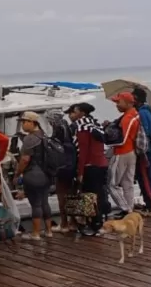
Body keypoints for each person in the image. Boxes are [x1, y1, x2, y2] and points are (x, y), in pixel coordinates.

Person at [69, 102, 110, 233]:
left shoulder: (81, 128)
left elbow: (83, 151)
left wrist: (80, 172)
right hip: (102, 163)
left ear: (82, 112)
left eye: (74, 111)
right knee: (99, 193)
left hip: (90, 165)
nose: (72, 114)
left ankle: (94, 223)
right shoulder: (95, 125)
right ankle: (99, 220)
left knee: (89, 195)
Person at [15, 111, 53, 240]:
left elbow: (25, 159)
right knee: (44, 202)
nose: (23, 125)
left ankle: (35, 233)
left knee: (36, 204)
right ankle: (48, 231)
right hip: (46, 174)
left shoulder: (30, 138)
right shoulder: (44, 135)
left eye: (24, 122)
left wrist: (17, 174)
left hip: (33, 174)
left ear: (32, 123)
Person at [107, 93, 141, 217]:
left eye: (118, 102)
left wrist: (107, 137)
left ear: (128, 103)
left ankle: (126, 209)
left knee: (112, 184)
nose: (116, 105)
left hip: (122, 152)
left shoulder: (127, 118)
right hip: (131, 152)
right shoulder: (135, 115)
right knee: (128, 183)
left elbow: (122, 139)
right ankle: (129, 208)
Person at [131, 86, 151, 216]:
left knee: (146, 178)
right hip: (145, 149)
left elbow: (145, 132)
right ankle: (149, 204)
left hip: (145, 150)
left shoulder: (143, 113)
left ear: (136, 99)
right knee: (143, 178)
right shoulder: (145, 111)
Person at [47, 107, 76, 233]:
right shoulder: (68, 127)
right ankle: (73, 222)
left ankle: (64, 223)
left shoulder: (56, 132)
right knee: (72, 194)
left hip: (62, 167)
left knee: (62, 196)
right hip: (71, 165)